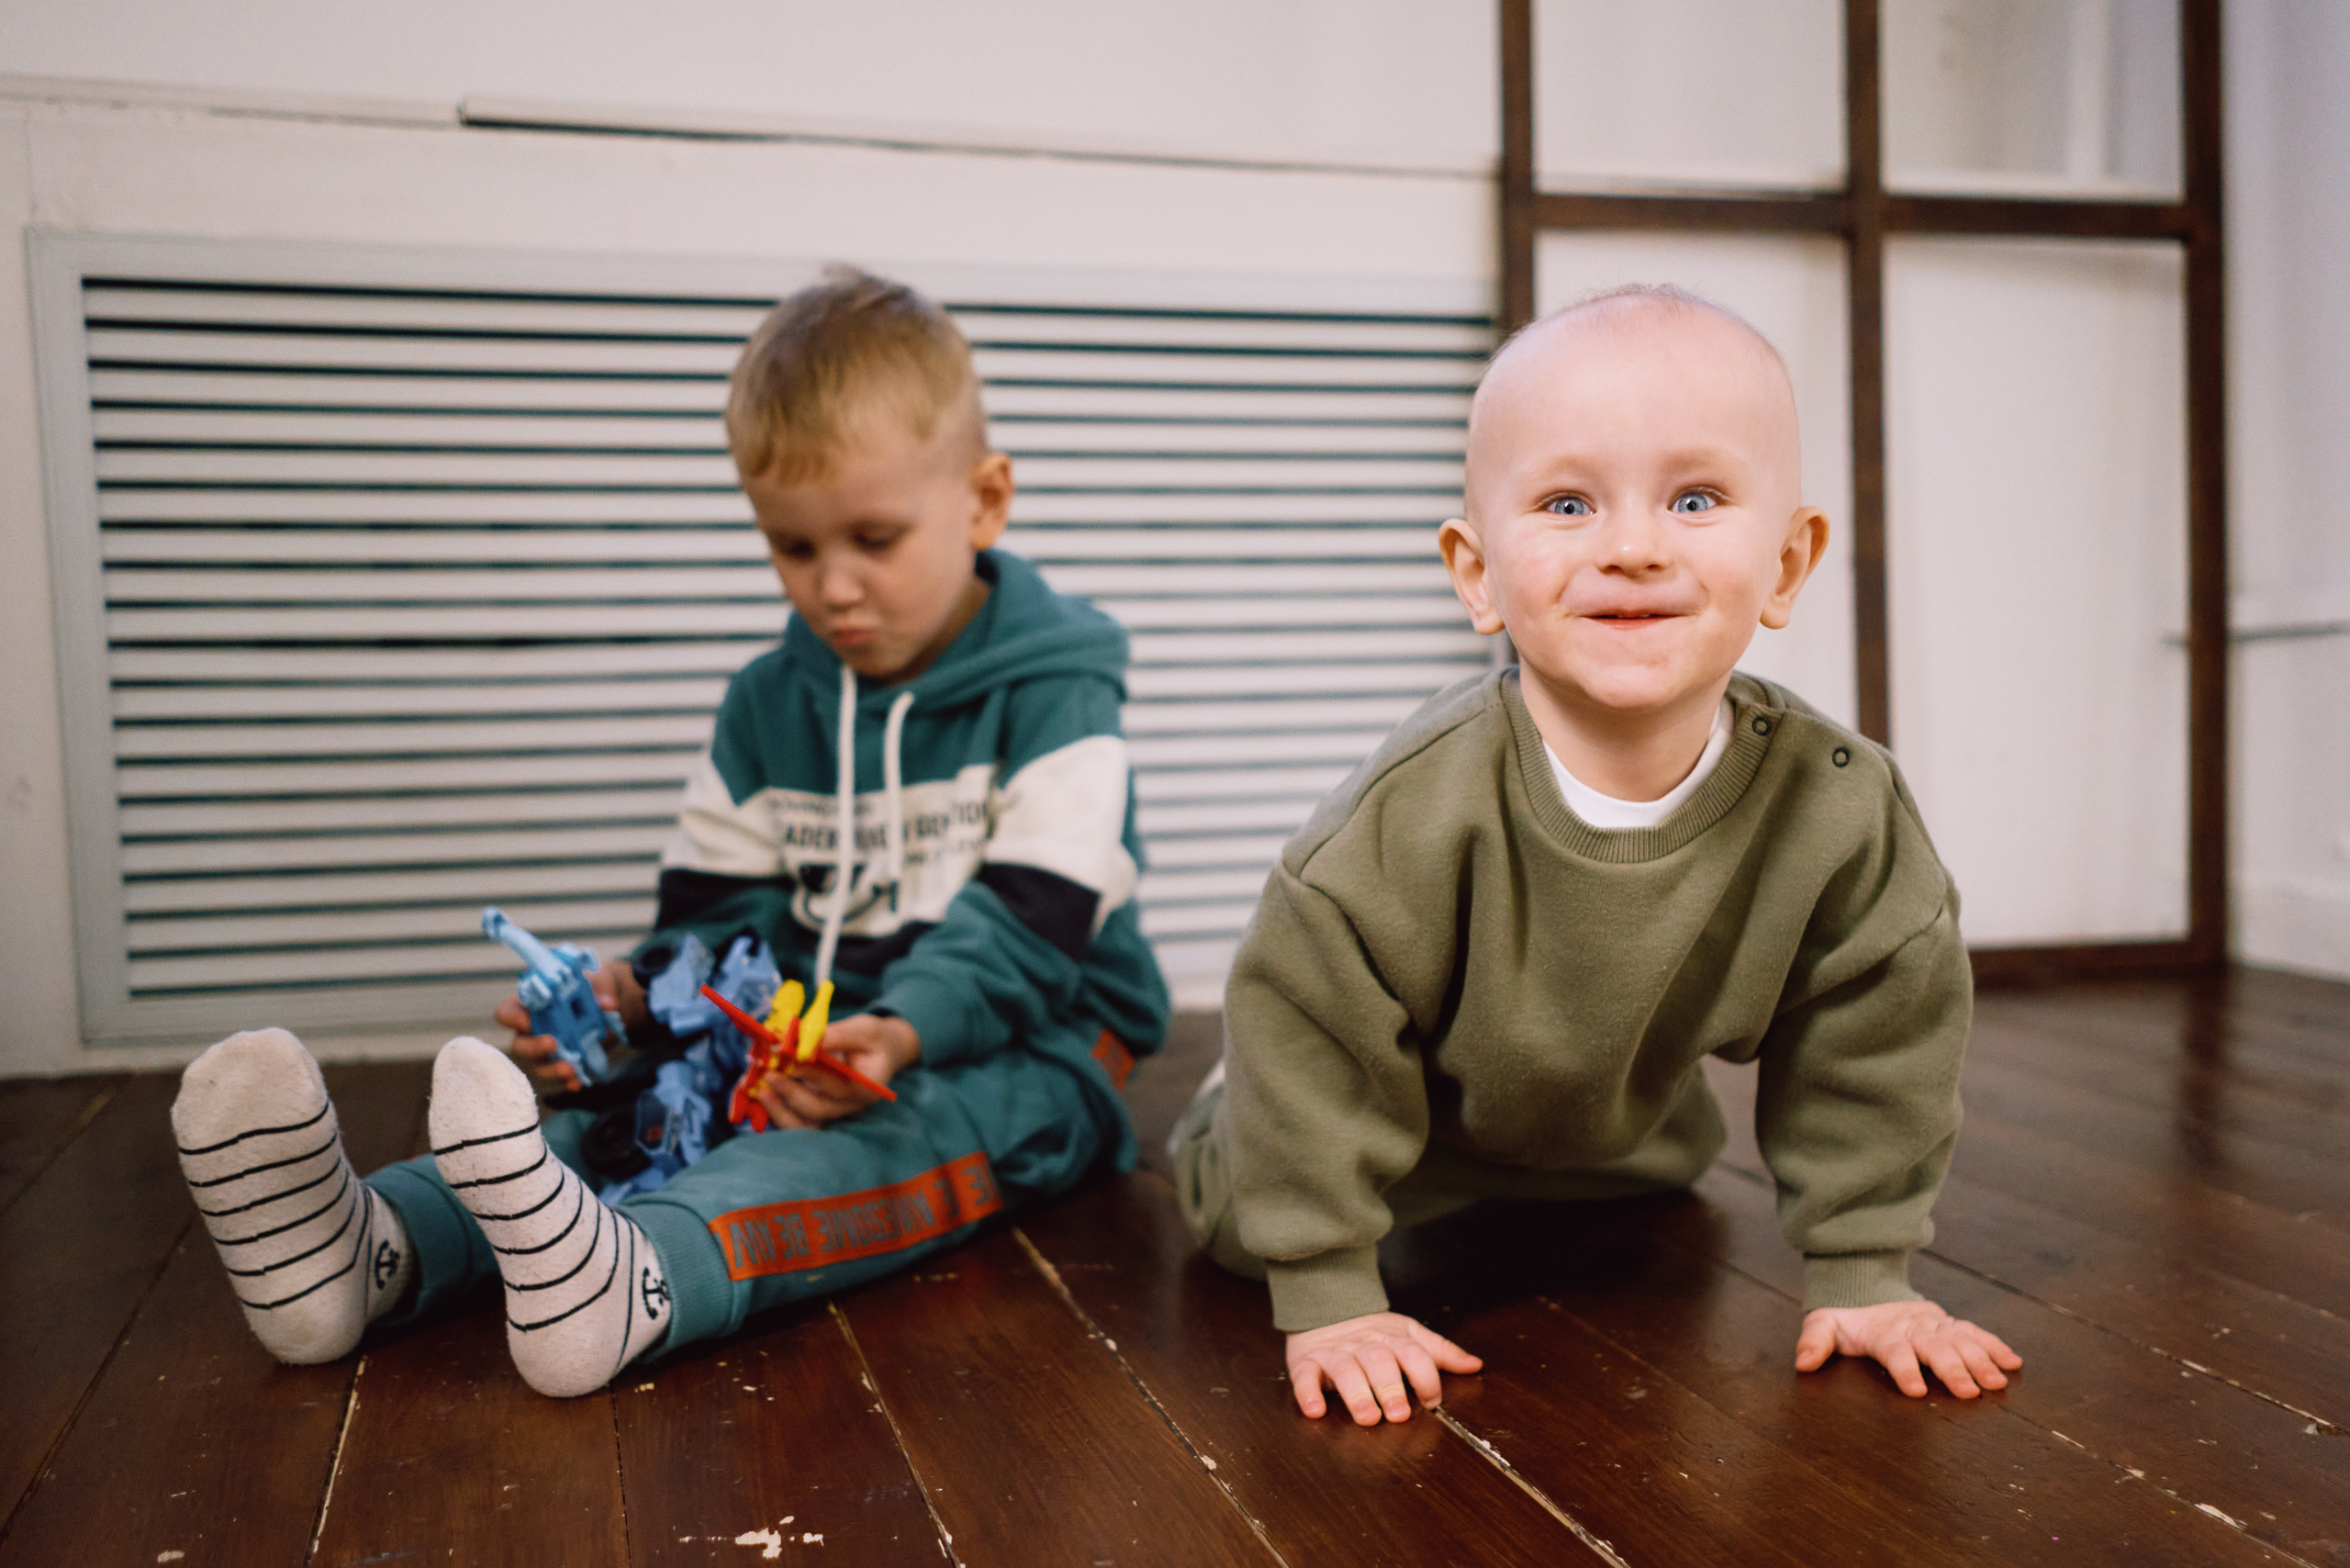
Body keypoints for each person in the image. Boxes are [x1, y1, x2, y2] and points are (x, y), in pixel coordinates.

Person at [172, 267, 1169, 1398]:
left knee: (866, 1146)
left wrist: (899, 1033)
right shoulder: (767, 705)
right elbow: (718, 918)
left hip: (1032, 1048)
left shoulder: (1058, 693)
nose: (833, 588)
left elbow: (1032, 925)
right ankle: (370, 1246)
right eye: (793, 547)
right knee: (643, 1111)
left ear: (985, 501)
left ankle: (640, 1277)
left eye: (873, 538)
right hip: (805, 1032)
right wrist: (638, 1001)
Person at [1172, 284, 2020, 1427]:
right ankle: (1235, 1102)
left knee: (1645, 1183)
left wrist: (1866, 1271)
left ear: (1786, 564)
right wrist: (1328, 1292)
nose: (1631, 548)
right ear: (1477, 574)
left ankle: (1584, 1128)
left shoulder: (1837, 809)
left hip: (1601, 1136)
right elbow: (1308, 1014)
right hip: (1383, 1118)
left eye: (1694, 498)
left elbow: (1879, 1032)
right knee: (1244, 1226)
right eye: (1567, 503)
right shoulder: (1404, 820)